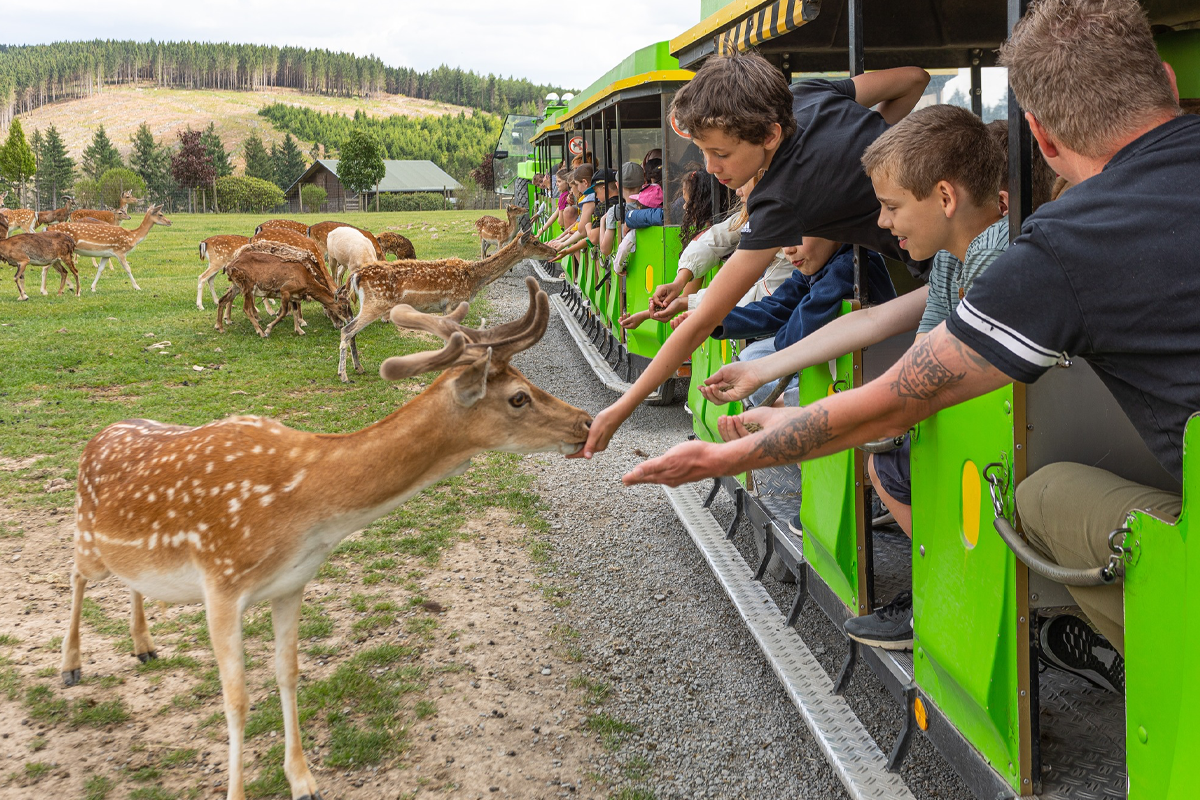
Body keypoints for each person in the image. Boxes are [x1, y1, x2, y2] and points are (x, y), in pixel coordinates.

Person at [626, 0, 1197, 695]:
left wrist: (734, 451)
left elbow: (895, 403)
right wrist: (772, 370)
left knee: (1043, 497)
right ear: (1166, 82)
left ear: (1041, 140)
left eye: (891, 210)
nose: (884, 224)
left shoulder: (1059, 251)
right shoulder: (983, 252)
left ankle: (1166, 680)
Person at [572, 50, 930, 458]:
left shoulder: (779, 198)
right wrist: (880, 152)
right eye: (702, 150)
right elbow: (915, 79)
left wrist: (619, 410)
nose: (708, 167)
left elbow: (702, 322)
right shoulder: (802, 96)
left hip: (941, 260)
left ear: (770, 136)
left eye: (721, 154)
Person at [683, 238, 894, 409]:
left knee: (757, 362)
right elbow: (777, 306)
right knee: (751, 355)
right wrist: (716, 321)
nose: (788, 250)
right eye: (784, 240)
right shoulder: (819, 264)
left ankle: (783, 412)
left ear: (833, 228)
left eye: (799, 236)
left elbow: (794, 335)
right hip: (837, 363)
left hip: (872, 377)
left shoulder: (846, 268)